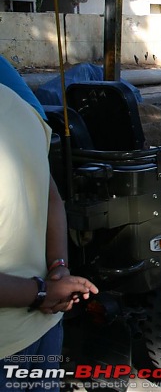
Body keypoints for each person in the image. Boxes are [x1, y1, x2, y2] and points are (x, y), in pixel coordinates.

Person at [0, 83, 98, 390]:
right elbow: (51, 197)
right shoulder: (22, 107)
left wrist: (43, 292)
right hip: (45, 328)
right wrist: (58, 270)